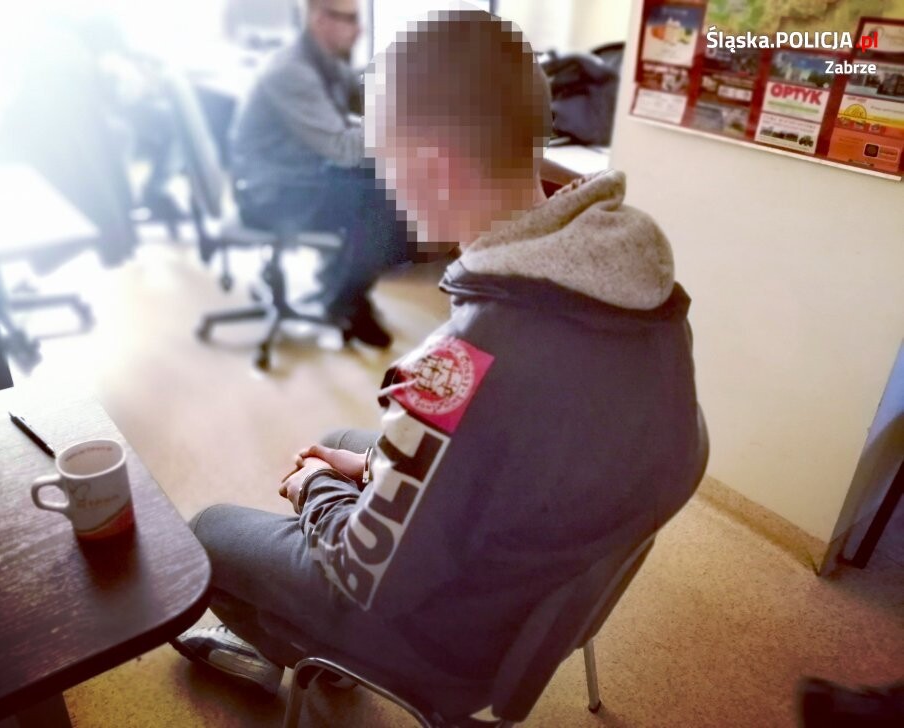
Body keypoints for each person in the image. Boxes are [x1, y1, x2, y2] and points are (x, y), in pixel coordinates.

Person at [174, 7, 704, 722]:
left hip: (449, 638)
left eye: (387, 163)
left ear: (432, 163)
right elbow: (486, 447)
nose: (387, 187)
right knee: (343, 441)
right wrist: (372, 468)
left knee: (207, 530)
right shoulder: (635, 278)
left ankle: (298, 650)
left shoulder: (461, 365)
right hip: (538, 555)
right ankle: (301, 617)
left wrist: (314, 490)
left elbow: (360, 572)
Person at [230, 0, 410, 348]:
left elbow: (356, 96)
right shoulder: (292, 71)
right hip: (271, 193)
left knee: (386, 183)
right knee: (392, 203)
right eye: (350, 20)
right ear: (320, 20)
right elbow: (342, 147)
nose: (359, 29)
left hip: (294, 176)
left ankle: (339, 285)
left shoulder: (322, 61)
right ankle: (343, 299)